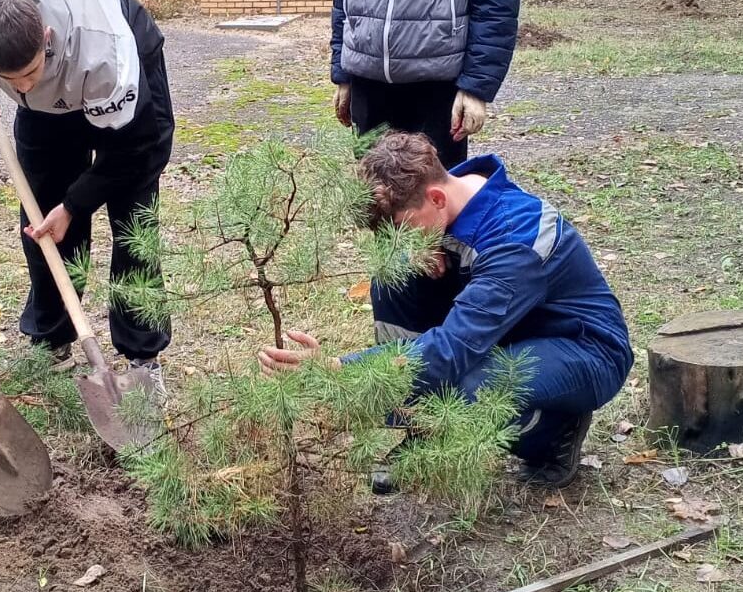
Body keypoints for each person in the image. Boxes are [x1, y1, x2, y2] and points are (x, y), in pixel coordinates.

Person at [258, 132, 633, 489]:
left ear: (437, 199)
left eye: (404, 229)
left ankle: (552, 432)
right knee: (395, 278)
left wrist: (344, 374)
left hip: (582, 348)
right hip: (510, 327)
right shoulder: (455, 195)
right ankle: (423, 426)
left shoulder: (513, 242)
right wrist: (420, 248)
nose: (398, 242)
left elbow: (451, 350)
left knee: (469, 386)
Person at [0, 0, 172, 388]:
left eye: (27, 74)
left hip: (116, 84)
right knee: (42, 216)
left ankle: (142, 356)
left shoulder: (109, 56)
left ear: (45, 38)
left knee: (132, 215)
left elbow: (133, 151)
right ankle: (53, 339)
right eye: (10, 80)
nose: (22, 88)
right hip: (50, 103)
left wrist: (75, 203)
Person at [330, 0, 521, 168]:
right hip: (367, 77)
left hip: (438, 82)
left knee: (433, 193)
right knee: (372, 190)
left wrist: (476, 86)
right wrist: (342, 72)